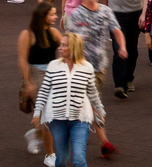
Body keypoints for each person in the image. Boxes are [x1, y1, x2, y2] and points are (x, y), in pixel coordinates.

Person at [62, 0, 124, 159]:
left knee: (88, 105)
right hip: (80, 67)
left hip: (99, 67)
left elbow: (116, 30)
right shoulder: (76, 15)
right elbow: (68, 41)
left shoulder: (105, 11)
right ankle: (104, 143)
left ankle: (80, 130)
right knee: (94, 105)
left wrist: (122, 47)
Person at [32, 32, 105, 167]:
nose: (59, 48)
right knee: (62, 158)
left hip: (80, 119)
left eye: (64, 45)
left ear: (73, 48)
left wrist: (100, 111)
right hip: (57, 119)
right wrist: (37, 114)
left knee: (79, 158)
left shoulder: (87, 67)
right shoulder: (53, 65)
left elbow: (92, 93)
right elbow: (44, 91)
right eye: (60, 45)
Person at [18, 2, 62, 164]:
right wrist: (28, 82)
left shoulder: (54, 32)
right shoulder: (27, 35)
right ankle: (50, 155)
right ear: (43, 16)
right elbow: (22, 60)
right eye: (52, 14)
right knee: (47, 116)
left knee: (56, 115)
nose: (55, 17)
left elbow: (66, 48)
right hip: (37, 74)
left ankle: (35, 134)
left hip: (54, 74)